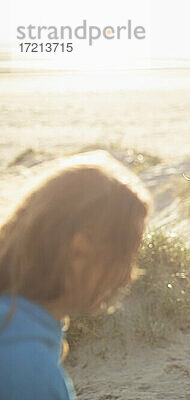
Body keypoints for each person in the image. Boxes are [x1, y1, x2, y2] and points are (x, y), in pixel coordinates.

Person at [0, 151, 151, 399]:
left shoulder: (15, 326)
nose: (127, 279)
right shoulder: (29, 371)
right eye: (126, 257)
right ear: (79, 250)